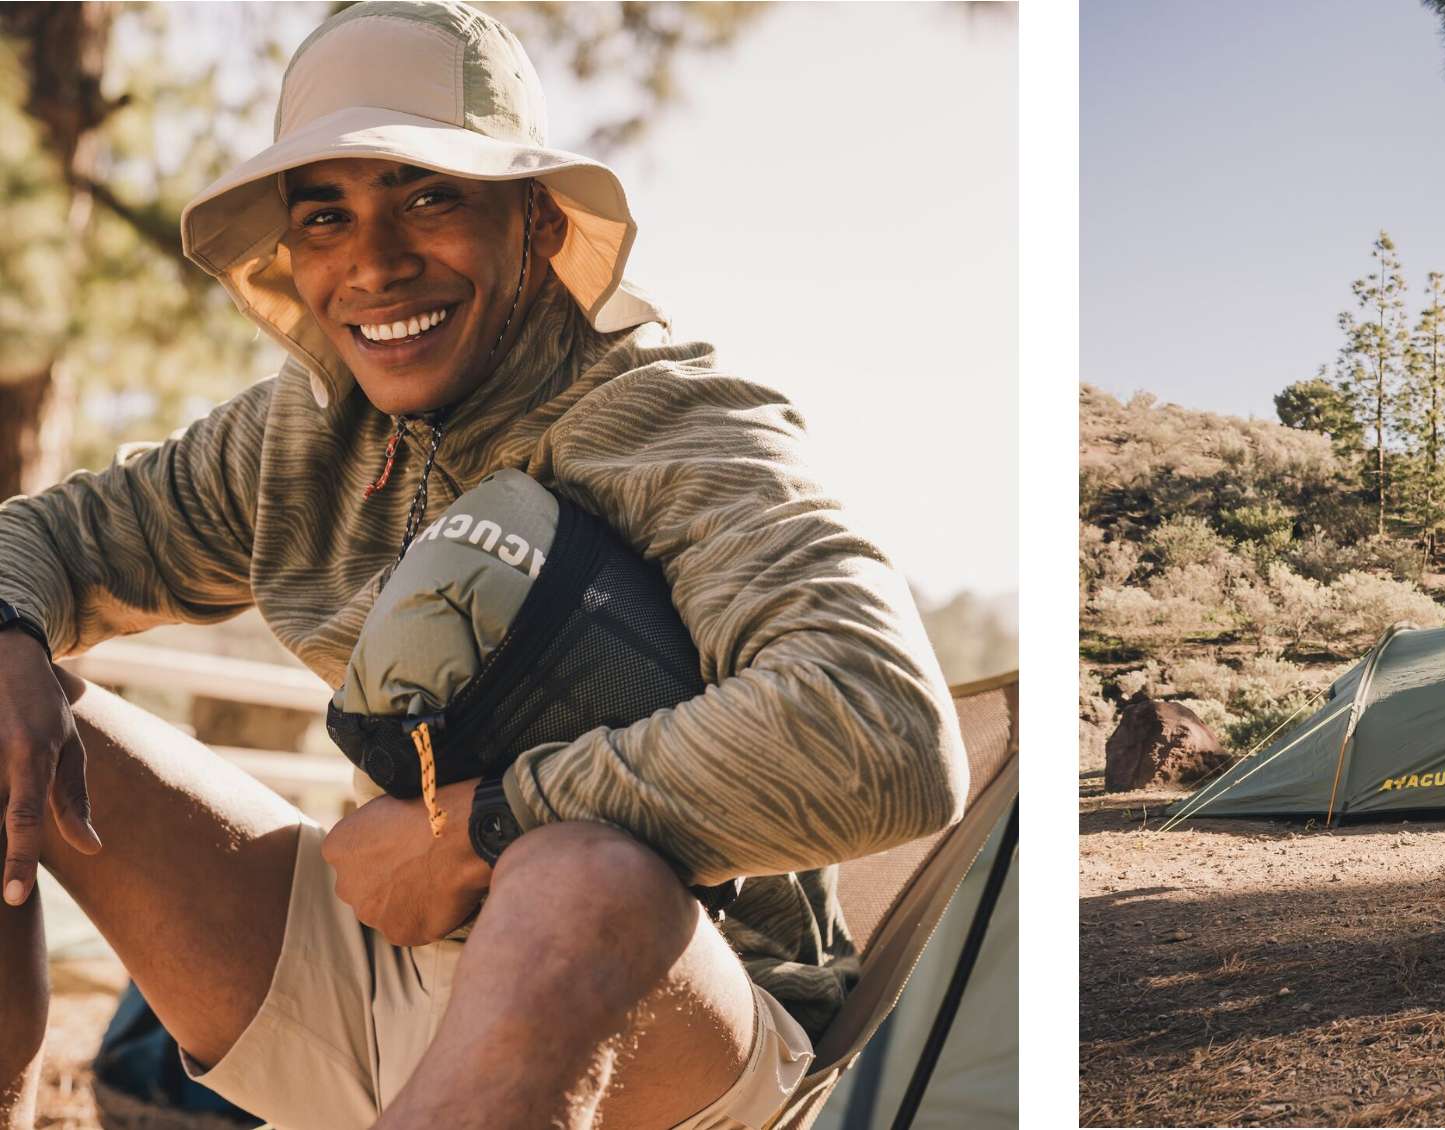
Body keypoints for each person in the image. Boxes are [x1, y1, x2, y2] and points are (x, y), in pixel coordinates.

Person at [0, 4, 967, 1127]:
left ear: (539, 222)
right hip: (371, 967)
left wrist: (476, 826)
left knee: (573, 873)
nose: (375, 262)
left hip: (669, 1032)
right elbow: (44, 539)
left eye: (431, 194)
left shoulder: (672, 421)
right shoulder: (296, 439)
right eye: (328, 214)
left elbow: (881, 725)